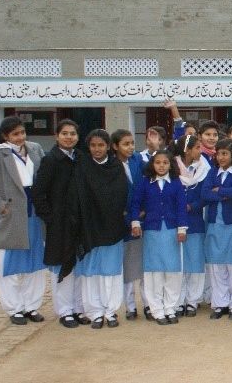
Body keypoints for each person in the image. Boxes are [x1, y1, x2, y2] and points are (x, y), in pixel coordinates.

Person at [0, 116, 48, 326]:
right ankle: (14, 309)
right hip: (12, 216)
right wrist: (1, 205)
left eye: (22, 133)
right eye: (15, 134)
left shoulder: (35, 149)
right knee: (9, 265)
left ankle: (32, 306)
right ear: (5, 135)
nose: (20, 137)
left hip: (35, 215)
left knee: (35, 263)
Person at [32, 119, 89, 328]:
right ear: (57, 136)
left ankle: (77, 308)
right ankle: (64, 311)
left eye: (72, 134)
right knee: (61, 268)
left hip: (79, 223)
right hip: (60, 224)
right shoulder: (51, 160)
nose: (69, 137)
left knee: (79, 267)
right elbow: (38, 193)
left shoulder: (81, 158)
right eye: (64, 133)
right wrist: (51, 219)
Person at [71, 129, 130, 329]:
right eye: (93, 146)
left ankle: (111, 311)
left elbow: (122, 195)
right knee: (91, 273)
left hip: (112, 227)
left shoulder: (116, 167)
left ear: (108, 146)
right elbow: (78, 197)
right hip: (89, 228)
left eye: (101, 145)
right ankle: (95, 313)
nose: (97, 149)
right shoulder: (82, 166)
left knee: (111, 272)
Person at [129, 151, 189, 325]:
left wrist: (182, 229)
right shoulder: (145, 183)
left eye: (165, 162)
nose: (161, 166)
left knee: (172, 271)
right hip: (152, 231)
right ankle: (156, 310)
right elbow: (135, 203)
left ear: (171, 164)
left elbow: (181, 207)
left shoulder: (176, 183)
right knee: (154, 272)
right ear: (152, 165)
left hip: (172, 232)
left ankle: (170, 307)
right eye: (158, 163)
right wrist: (135, 223)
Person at [201, 139, 232, 320]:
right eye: (218, 153)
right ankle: (220, 303)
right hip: (215, 224)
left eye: (225, 154)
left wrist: (218, 190)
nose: (220, 157)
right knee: (216, 264)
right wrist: (224, 193)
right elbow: (204, 193)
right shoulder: (213, 171)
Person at [172, 135, 211, 317]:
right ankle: (178, 301)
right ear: (186, 150)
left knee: (195, 261)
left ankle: (192, 301)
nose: (200, 151)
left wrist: (192, 206)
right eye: (196, 147)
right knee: (178, 262)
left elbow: (205, 194)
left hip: (195, 220)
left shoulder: (204, 168)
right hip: (175, 220)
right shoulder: (172, 167)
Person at [111, 129, 147, 321]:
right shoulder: (110, 165)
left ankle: (148, 304)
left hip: (141, 217)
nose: (131, 147)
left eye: (132, 143)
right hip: (121, 221)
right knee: (126, 267)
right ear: (115, 146)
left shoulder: (137, 162)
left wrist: (143, 210)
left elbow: (148, 182)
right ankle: (130, 306)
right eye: (126, 144)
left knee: (142, 265)